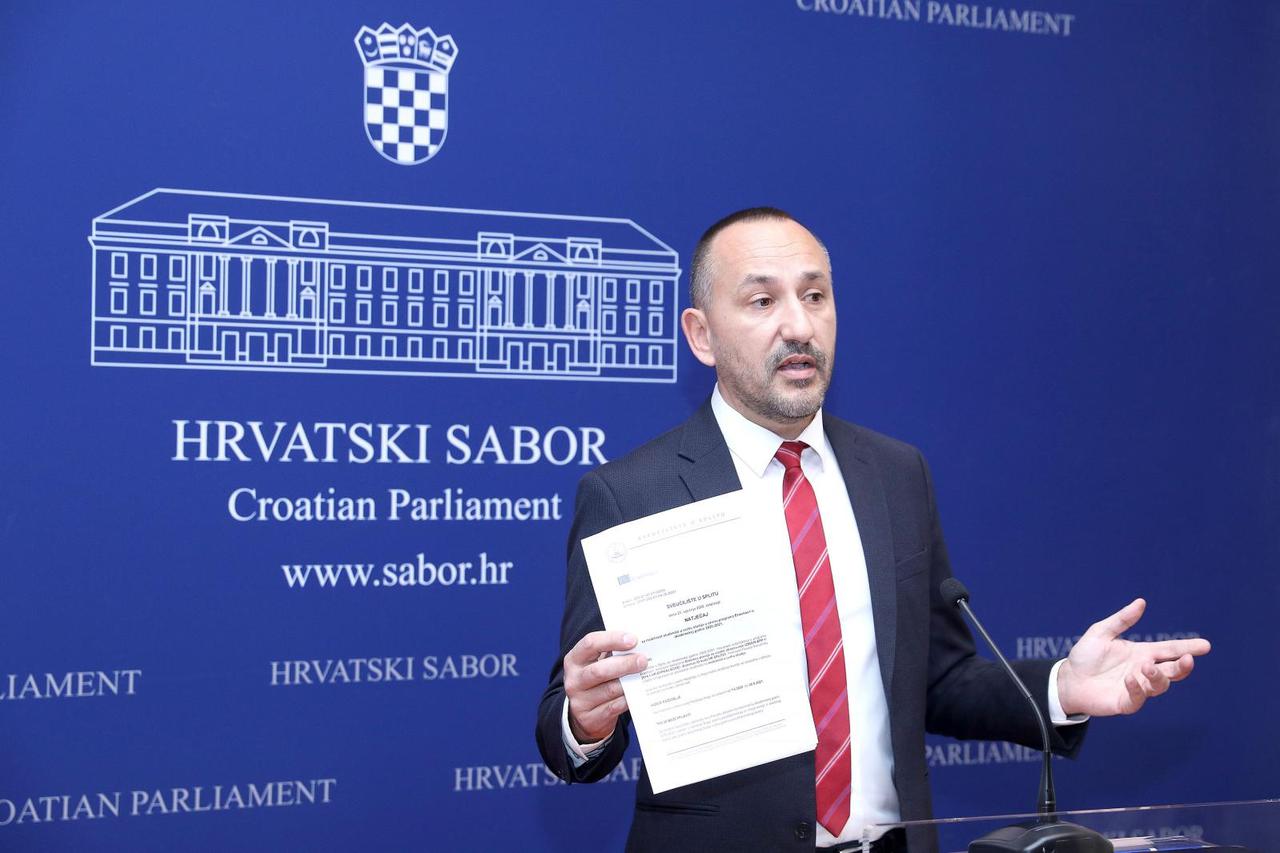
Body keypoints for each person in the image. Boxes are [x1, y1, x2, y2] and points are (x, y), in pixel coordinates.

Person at [535, 207, 1210, 852]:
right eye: (762, 301)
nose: (799, 325)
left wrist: (1062, 687)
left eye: (816, 296)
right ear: (701, 335)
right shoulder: (632, 493)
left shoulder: (894, 473)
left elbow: (939, 680)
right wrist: (585, 719)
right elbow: (566, 721)